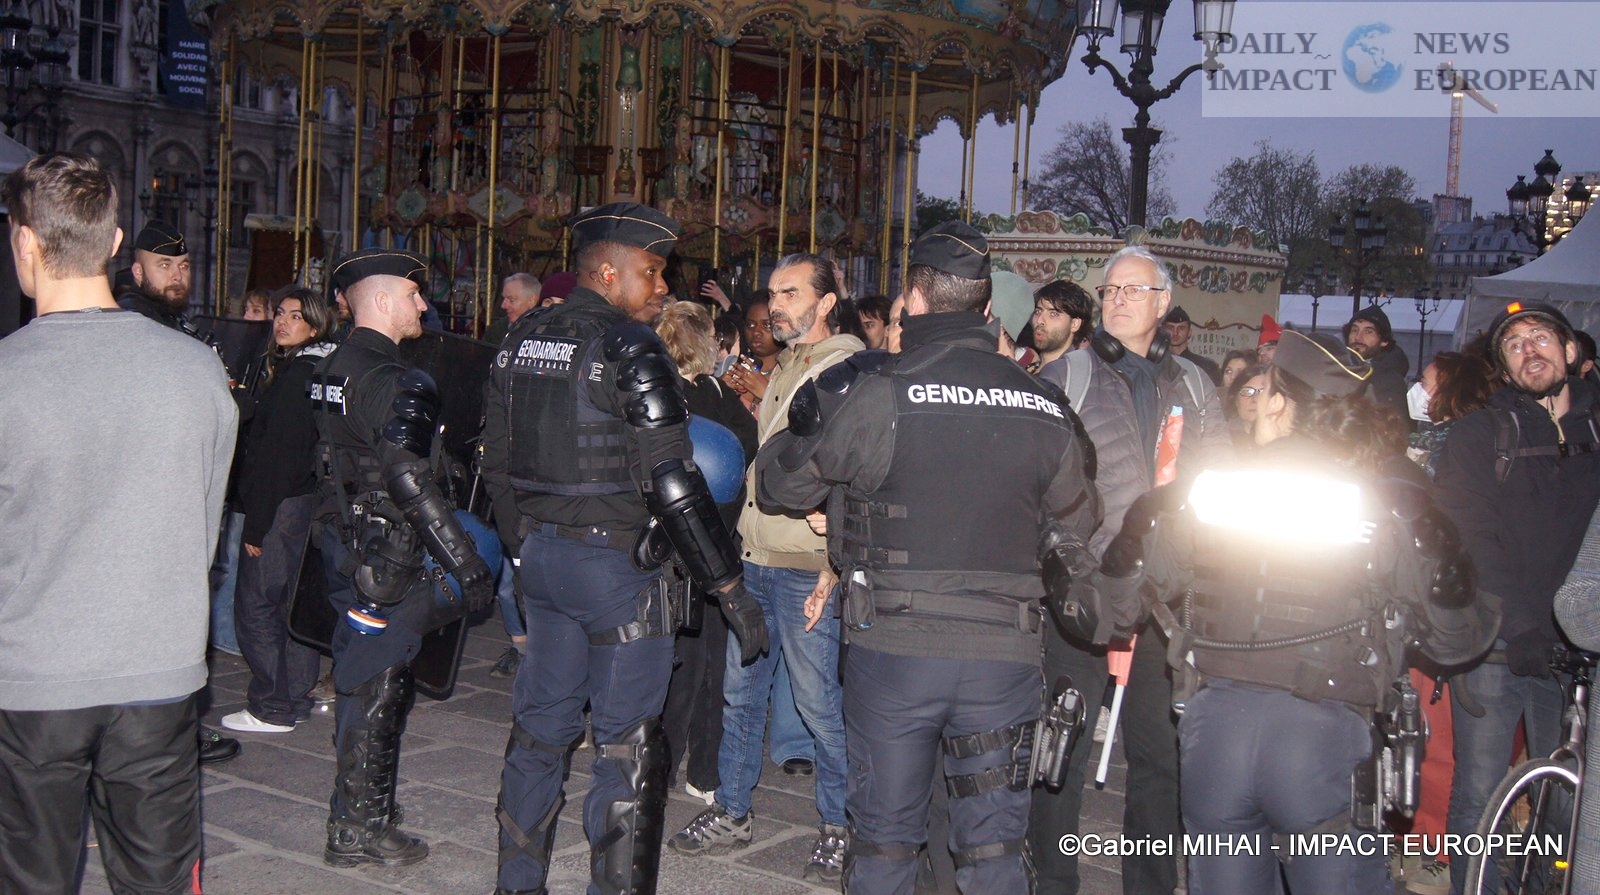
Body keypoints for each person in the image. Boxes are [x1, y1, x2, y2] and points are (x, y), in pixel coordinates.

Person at [755, 221, 1100, 894]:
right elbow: (1082, 518)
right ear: (987, 307)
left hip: (896, 653)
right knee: (994, 852)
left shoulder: (875, 391)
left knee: (885, 844)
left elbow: (778, 486)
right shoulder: (1042, 401)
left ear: (912, 301)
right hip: (1003, 657)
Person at [1113, 330, 1496, 894]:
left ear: (1278, 403)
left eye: (1261, 389)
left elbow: (1113, 602)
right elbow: (1456, 637)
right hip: (1323, 740)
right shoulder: (1385, 504)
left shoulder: (1208, 492)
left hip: (1214, 733)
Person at [483, 202, 768, 895]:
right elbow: (673, 479)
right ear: (609, 272)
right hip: (617, 572)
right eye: (653, 270)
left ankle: (516, 884)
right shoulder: (629, 346)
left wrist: (524, 547)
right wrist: (728, 586)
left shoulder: (521, 339)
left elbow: (493, 458)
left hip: (545, 562)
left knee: (539, 732)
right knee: (627, 749)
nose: (663, 286)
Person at [0, 152, 237, 892]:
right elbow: (204, 527)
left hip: (31, 679)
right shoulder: (196, 369)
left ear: (24, 243)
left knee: (30, 877)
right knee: (158, 879)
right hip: (159, 667)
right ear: (114, 243)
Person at [1033, 244, 1229, 895]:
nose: (1117, 299)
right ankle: (1051, 879)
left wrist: (1193, 549)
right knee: (1061, 744)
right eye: (1110, 289)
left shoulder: (1194, 384)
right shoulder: (1069, 375)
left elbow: (1220, 474)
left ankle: (1151, 883)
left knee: (1160, 755)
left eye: (1132, 289)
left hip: (1166, 592)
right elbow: (1037, 477)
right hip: (1083, 588)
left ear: (1162, 302)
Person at [669, 252, 862, 884]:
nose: (775, 305)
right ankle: (732, 809)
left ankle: (840, 826)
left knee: (819, 704)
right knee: (741, 695)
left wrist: (834, 562)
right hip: (755, 558)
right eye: (773, 293)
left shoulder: (843, 369)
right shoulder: (787, 366)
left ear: (826, 302)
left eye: (790, 293)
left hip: (805, 567)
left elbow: (853, 465)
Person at [308, 247, 496, 868]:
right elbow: (406, 477)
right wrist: (465, 562)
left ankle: (358, 815)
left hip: (348, 545)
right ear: (384, 300)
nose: (422, 304)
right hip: (388, 553)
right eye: (413, 294)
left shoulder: (332, 366)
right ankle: (357, 828)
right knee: (379, 684)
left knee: (364, 674)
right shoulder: (396, 380)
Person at [1433, 301, 1600, 895]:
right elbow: (1471, 537)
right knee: (1480, 795)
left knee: (1567, 803)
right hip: (1498, 644)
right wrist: (1522, 625)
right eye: (1514, 344)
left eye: (1541, 337)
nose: (1530, 349)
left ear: (1570, 351)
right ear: (1503, 368)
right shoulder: (1481, 434)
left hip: (1578, 652)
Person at [655, 301, 760, 805]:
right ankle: (705, 770)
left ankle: (659, 763)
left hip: (664, 544)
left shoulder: (653, 396)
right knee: (711, 661)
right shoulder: (717, 396)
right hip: (717, 544)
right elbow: (750, 448)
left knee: (668, 657)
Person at [224, 287, 338, 734]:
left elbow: (277, 457)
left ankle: (272, 706)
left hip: (281, 504)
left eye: (295, 316)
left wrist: (256, 525)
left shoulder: (298, 375)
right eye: (280, 314)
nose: (282, 323)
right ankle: (294, 696)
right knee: (290, 605)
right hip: (302, 501)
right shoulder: (316, 369)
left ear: (314, 325)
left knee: (257, 605)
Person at [116, 220, 195, 329]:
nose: (178, 276)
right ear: (139, 272)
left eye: (184, 266)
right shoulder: (132, 319)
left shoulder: (172, 316)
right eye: (165, 266)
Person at [1343, 304, 1409, 415]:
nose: (1358, 337)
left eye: (1368, 332)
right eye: (1354, 330)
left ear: (1384, 341)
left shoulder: (1391, 382)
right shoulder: (1338, 366)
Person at [1030, 279, 1093, 372]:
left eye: (1053, 314)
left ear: (1074, 324)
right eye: (1038, 311)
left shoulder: (1074, 375)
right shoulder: (1029, 367)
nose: (1039, 320)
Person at [1163, 305, 1222, 383]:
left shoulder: (1205, 365)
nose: (1175, 332)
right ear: (1163, 330)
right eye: (1171, 328)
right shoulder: (1157, 364)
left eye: (1181, 328)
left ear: (1189, 332)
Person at [486, 272, 542, 345]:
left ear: (531, 301)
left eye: (511, 300)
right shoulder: (496, 331)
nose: (503, 306)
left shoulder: (546, 332)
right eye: (504, 299)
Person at [1225, 363, 1270, 451]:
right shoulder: (1220, 436)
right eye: (1247, 391)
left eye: (1262, 392)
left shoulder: (1287, 441)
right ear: (1235, 400)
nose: (1255, 399)